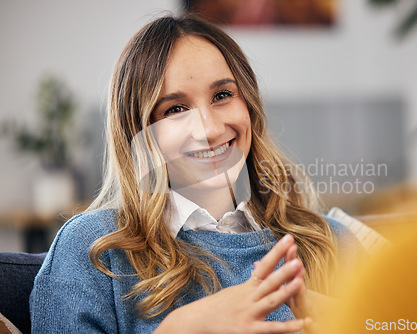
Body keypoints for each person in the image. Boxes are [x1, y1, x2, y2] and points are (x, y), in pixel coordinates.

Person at [30, 13, 362, 333]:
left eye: (222, 95)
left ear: (249, 106)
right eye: (176, 109)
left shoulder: (332, 243)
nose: (210, 129)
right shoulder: (94, 250)